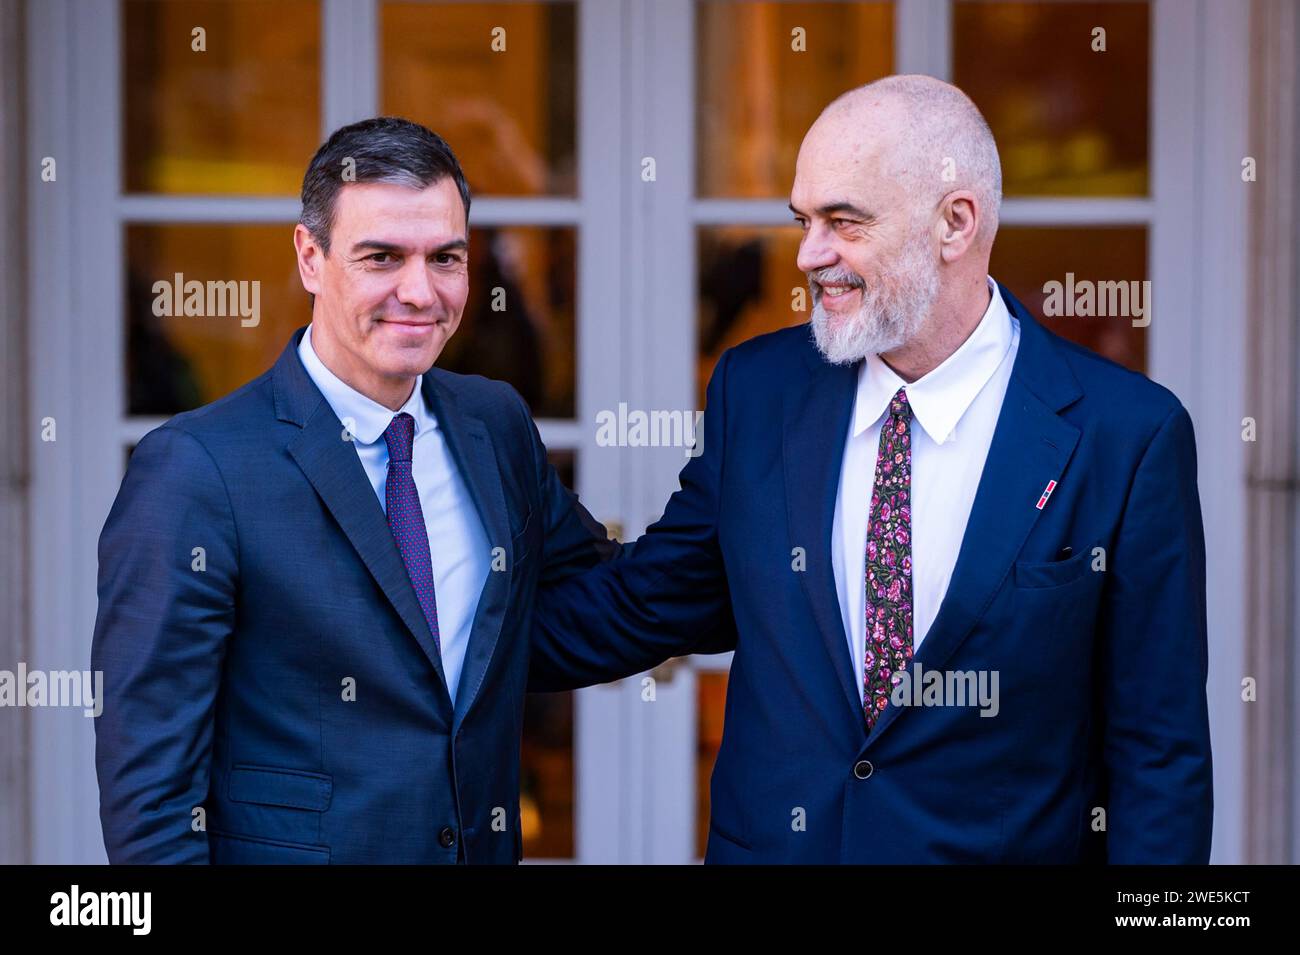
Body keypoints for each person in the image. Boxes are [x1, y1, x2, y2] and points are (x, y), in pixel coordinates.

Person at [530, 75, 1214, 863]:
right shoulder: (759, 391)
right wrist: (431, 638)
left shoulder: (1127, 435)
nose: (810, 254)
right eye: (803, 220)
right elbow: (649, 602)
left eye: (843, 221)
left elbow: (1159, 754)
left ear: (956, 223)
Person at [92, 117, 619, 864]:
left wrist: (770, 563)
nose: (420, 290)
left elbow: (602, 598)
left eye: (445, 258)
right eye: (382, 257)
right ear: (310, 257)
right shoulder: (194, 470)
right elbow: (151, 805)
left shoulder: (494, 425)